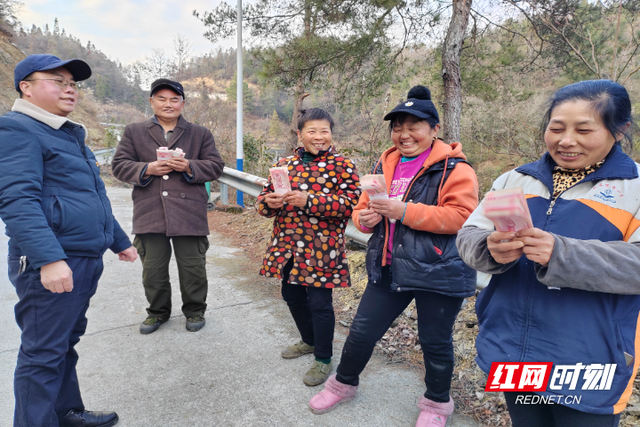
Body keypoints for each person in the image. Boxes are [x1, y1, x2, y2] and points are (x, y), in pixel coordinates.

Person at [456, 80, 640, 427]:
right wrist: (489, 248)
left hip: (589, 360)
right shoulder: (516, 180)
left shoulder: (634, 191)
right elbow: (468, 235)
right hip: (515, 349)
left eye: (584, 129)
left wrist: (561, 254)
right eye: (556, 128)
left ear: (619, 130)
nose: (566, 140)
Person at [309, 86, 479, 427]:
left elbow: (462, 216)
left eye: (413, 126)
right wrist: (365, 219)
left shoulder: (454, 169)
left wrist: (403, 211)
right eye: (398, 127)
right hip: (389, 267)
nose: (404, 134)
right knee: (361, 331)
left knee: (434, 342)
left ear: (434, 129)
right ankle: (343, 384)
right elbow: (360, 209)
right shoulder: (384, 163)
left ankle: (436, 404)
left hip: (438, 270)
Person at [1, 54, 138, 427]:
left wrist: (119, 240)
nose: (69, 89)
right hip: (55, 260)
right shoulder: (16, 129)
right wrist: (48, 259)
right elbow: (17, 201)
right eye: (57, 81)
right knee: (41, 354)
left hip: (83, 258)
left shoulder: (65, 133)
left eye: (73, 84)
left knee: (64, 343)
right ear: (25, 88)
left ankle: (66, 412)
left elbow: (91, 196)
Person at [256, 108, 361, 386]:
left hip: (321, 248)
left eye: (324, 131)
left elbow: (351, 204)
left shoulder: (343, 165)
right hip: (287, 244)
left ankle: (324, 358)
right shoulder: (284, 164)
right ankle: (309, 340)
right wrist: (269, 203)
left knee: (320, 304)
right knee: (290, 295)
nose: (318, 137)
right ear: (300, 134)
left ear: (331, 133)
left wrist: (309, 201)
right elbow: (263, 199)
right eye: (311, 131)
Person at [112, 79, 224, 334]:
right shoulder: (134, 131)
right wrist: (147, 168)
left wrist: (188, 167)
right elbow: (119, 166)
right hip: (150, 211)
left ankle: (195, 311)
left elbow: (216, 166)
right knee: (153, 269)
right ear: (152, 102)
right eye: (161, 98)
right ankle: (157, 312)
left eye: (174, 99)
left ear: (182, 103)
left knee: (193, 267)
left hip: (189, 213)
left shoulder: (200, 133)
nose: (168, 104)